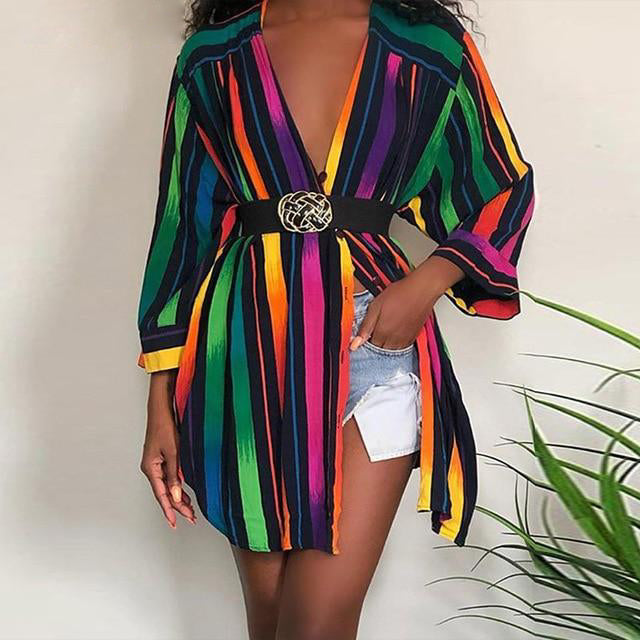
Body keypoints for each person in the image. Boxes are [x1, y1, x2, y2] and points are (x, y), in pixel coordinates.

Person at [136, 0, 535, 638]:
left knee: (315, 624)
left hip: (375, 341)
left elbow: (502, 185)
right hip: (244, 350)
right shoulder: (212, 56)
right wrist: (161, 399)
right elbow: (184, 228)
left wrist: (427, 283)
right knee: (271, 619)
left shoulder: (428, 47)